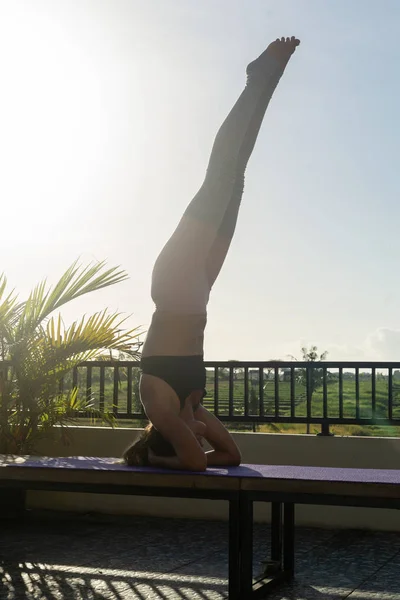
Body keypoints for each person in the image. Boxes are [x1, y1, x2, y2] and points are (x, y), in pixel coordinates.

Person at [124, 36, 300, 471]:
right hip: (198, 287)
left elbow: (199, 465)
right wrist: (198, 433)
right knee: (235, 181)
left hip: (173, 285)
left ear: (169, 440)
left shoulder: (160, 409)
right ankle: (264, 80)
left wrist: (162, 455)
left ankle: (260, 78)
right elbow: (231, 457)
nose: (199, 434)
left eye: (189, 438)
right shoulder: (192, 411)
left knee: (219, 179)